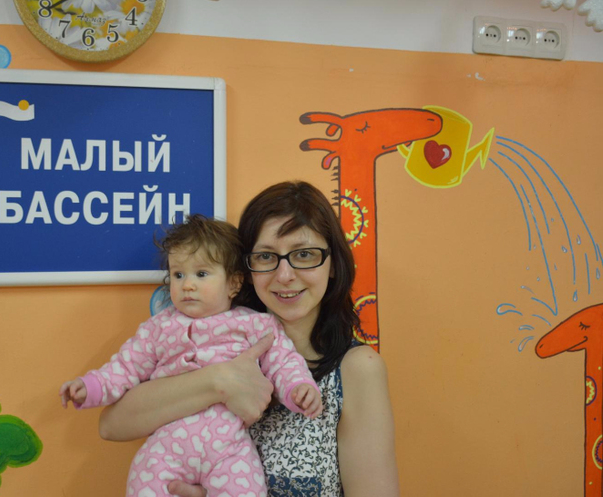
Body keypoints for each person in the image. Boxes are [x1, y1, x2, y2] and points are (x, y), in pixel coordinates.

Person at [98, 181, 399, 497]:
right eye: (266, 256)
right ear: (243, 272)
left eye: (304, 254)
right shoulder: (204, 342)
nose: (285, 275)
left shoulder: (356, 368)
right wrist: (219, 380)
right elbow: (111, 425)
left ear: (333, 263)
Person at [59, 214, 323, 496]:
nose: (187, 285)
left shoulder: (255, 325)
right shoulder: (158, 328)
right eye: (178, 275)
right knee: (144, 482)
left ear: (234, 283)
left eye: (201, 274)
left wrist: (298, 388)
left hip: (229, 448)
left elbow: (283, 362)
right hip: (166, 446)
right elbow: (124, 368)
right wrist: (90, 387)